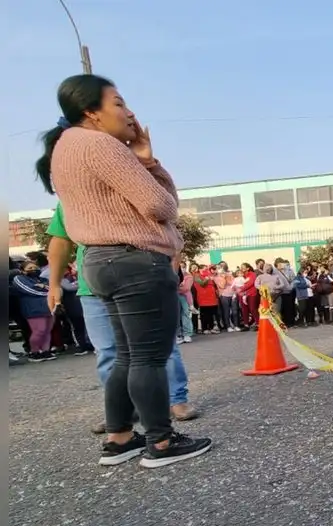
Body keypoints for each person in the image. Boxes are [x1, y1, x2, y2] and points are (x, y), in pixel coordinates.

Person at [37, 73, 210, 467]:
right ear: (91, 113)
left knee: (127, 356)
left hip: (98, 261)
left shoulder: (66, 148)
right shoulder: (100, 145)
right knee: (149, 356)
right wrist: (149, 162)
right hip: (135, 260)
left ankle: (120, 438)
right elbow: (161, 206)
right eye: (118, 103)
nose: (129, 112)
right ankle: (161, 443)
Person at [46, 203, 200, 433]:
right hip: (94, 285)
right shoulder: (70, 196)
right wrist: (54, 284)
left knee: (159, 347)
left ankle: (175, 400)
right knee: (107, 351)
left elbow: (168, 231)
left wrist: (169, 271)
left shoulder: (128, 182)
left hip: (142, 279)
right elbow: (60, 240)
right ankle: (121, 413)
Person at [11, 261, 56, 362]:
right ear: (23, 270)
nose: (33, 269)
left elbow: (54, 289)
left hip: (49, 308)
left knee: (47, 331)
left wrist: (44, 287)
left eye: (35, 267)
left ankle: (45, 351)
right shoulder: (19, 279)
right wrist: (46, 291)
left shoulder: (43, 279)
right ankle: (34, 352)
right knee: (39, 331)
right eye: (30, 268)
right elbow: (30, 290)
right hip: (33, 309)